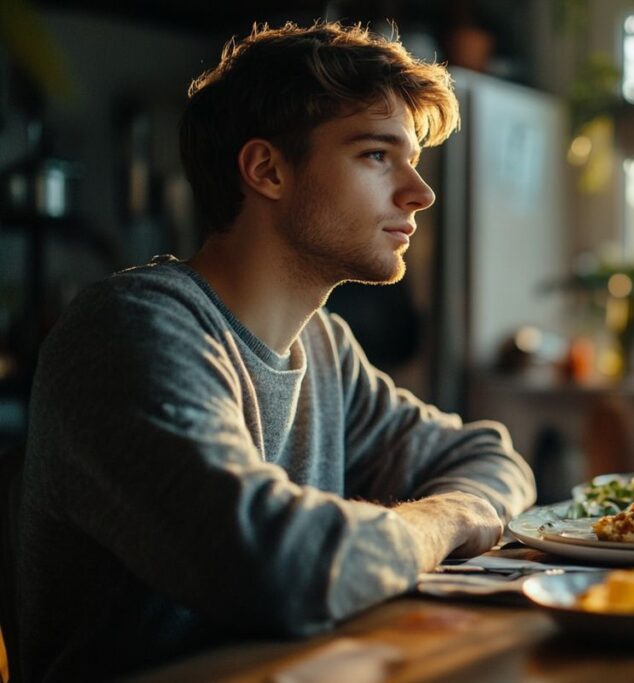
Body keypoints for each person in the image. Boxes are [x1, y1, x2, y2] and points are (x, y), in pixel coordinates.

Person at [15, 22, 535, 682]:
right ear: (267, 170)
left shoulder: (324, 346)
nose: (419, 193)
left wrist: (437, 515)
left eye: (413, 161)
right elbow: (275, 565)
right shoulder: (129, 331)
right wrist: (444, 517)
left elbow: (490, 458)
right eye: (377, 155)